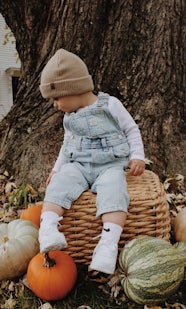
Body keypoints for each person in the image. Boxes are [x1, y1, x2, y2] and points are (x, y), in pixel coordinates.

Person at [39, 49, 145, 274]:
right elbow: (66, 147)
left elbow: (131, 129)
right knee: (57, 187)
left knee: (115, 192)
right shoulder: (70, 118)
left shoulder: (110, 105)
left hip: (109, 166)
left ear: (73, 88)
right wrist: (57, 170)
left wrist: (137, 155)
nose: (55, 105)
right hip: (78, 166)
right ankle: (47, 230)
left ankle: (107, 246)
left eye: (56, 98)